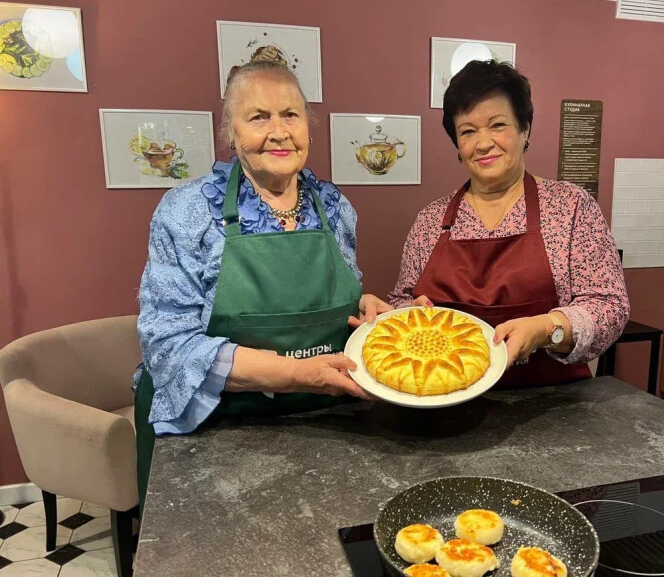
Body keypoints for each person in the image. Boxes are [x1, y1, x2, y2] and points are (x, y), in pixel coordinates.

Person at [134, 60, 390, 506]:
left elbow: (323, 300)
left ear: (308, 128)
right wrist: (293, 372)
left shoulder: (335, 206)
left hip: (327, 419)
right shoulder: (186, 211)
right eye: (258, 117)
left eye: (290, 115)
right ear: (229, 134)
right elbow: (167, 345)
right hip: (218, 422)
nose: (279, 131)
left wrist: (363, 307)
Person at [388, 60, 629, 387]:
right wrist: (410, 315)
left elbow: (610, 307)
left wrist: (546, 328)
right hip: (445, 399)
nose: (483, 143)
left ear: (524, 128)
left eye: (497, 125)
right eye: (468, 131)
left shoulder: (570, 207)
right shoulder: (431, 220)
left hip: (551, 405)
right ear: (458, 144)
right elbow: (400, 303)